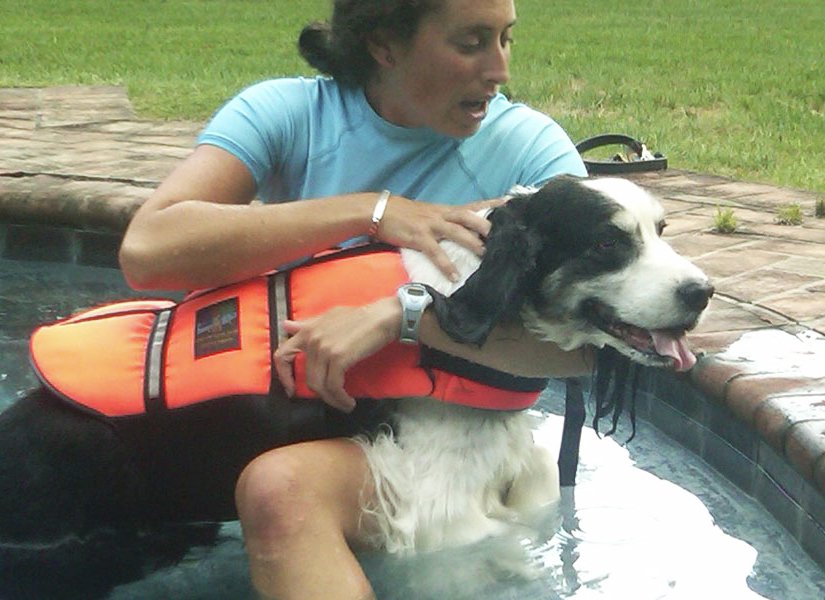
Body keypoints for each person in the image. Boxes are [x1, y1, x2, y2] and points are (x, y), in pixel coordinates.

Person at [119, 0, 591, 598]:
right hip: (299, 415)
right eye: (472, 43)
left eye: (506, 39)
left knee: (280, 491)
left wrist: (405, 315)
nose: (499, 69)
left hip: (450, 441)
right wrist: (373, 212)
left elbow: (593, 353)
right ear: (384, 46)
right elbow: (147, 249)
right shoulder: (288, 113)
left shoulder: (529, 150)